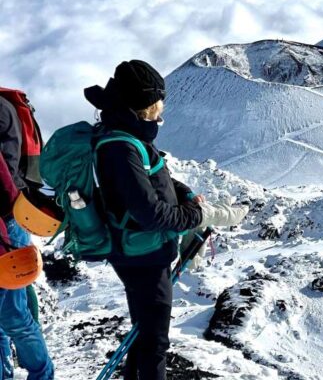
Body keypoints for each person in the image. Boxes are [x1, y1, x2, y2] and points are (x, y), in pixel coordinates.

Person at [86, 60, 247, 379]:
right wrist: (197, 216)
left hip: (142, 251)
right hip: (142, 256)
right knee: (154, 343)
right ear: (139, 107)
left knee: (143, 334)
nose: (160, 116)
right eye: (154, 108)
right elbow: (150, 213)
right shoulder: (120, 146)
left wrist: (184, 194)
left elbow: (156, 174)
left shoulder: (127, 134)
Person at [0, 93, 53, 379]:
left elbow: (4, 177)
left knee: (14, 316)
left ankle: (42, 374)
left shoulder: (0, 110)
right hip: (10, 220)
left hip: (7, 224)